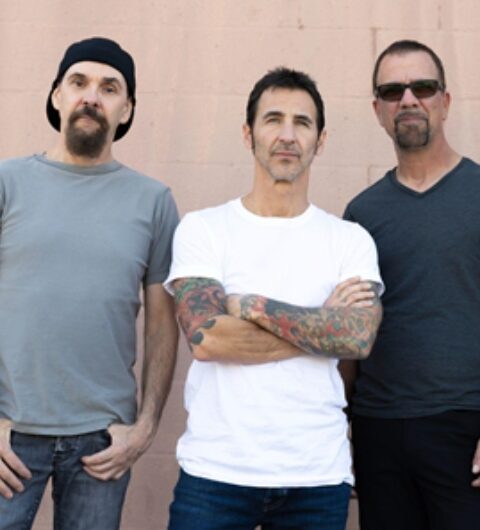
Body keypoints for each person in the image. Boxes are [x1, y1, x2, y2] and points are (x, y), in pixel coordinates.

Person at [165, 67, 383, 530]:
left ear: (321, 140)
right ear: (248, 134)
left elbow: (358, 338)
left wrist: (250, 307)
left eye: (302, 123)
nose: (287, 135)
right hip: (216, 473)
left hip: (316, 477)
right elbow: (207, 338)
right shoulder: (204, 229)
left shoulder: (349, 240)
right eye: (273, 120)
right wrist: (323, 327)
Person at [0, 37, 179, 530]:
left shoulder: (153, 202)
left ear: (127, 110)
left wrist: (145, 428)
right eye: (78, 82)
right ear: (57, 95)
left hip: (102, 442)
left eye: (109, 88)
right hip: (10, 435)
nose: (91, 97)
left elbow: (162, 325)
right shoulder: (7, 183)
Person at [343, 39, 480, 530]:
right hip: (378, 430)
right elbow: (351, 337)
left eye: (422, 87)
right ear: (378, 110)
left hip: (465, 428)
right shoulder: (361, 215)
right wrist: (341, 427)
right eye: (392, 91)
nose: (408, 100)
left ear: (445, 101)